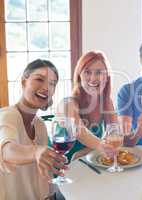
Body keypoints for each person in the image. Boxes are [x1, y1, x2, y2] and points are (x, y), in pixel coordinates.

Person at [0, 59, 66, 200]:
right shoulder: (7, 115)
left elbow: (40, 173)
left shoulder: (40, 125)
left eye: (52, 84)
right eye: (39, 79)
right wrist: (36, 151)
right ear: (24, 82)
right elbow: (7, 151)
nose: (46, 87)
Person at [58, 51, 117, 161]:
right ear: (79, 76)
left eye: (99, 72)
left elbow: (114, 135)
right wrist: (101, 147)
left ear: (107, 77)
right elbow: (79, 132)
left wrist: (82, 153)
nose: (93, 78)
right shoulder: (67, 104)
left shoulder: (106, 102)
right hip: (63, 169)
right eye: (87, 72)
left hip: (91, 164)